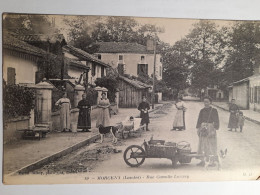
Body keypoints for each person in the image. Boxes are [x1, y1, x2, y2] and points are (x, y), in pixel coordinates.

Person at [196, 96, 219, 166]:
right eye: (204, 102)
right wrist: (198, 128)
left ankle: (212, 162)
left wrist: (215, 129)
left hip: (211, 128)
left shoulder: (214, 110)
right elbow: (199, 120)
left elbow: (216, 120)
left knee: (211, 145)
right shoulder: (202, 110)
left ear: (210, 102)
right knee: (202, 144)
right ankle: (203, 161)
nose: (205, 103)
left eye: (207, 102)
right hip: (203, 128)